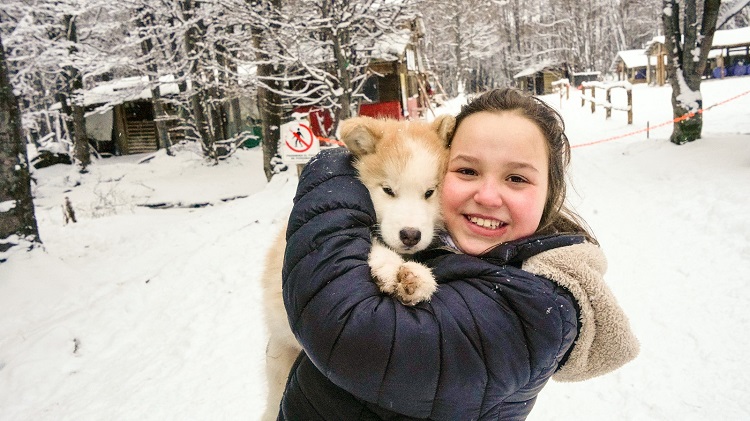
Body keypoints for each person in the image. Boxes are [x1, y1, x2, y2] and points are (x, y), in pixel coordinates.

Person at [278, 87, 639, 420]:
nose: (486, 196)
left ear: (550, 191)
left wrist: (330, 182)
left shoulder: (537, 306)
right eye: (467, 170)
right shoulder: (452, 246)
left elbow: (348, 334)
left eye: (516, 178)